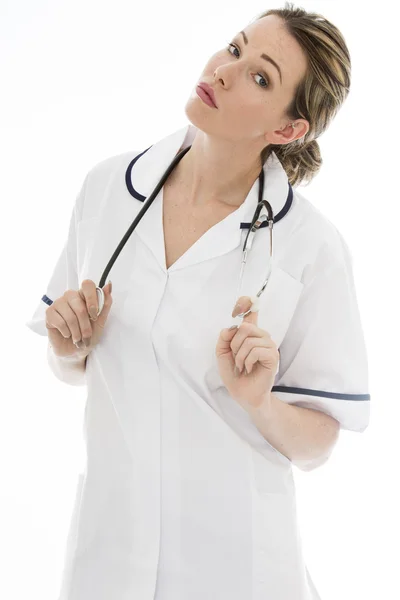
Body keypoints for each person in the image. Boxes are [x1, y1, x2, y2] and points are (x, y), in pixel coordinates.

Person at [26, 3, 370, 599]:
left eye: (261, 77)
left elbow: (320, 440)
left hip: (237, 567)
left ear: (288, 130)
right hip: (107, 559)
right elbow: (73, 366)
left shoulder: (310, 246)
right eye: (235, 49)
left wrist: (260, 402)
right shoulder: (108, 189)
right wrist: (66, 345)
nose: (225, 70)